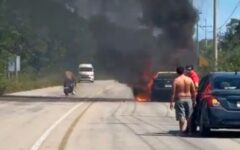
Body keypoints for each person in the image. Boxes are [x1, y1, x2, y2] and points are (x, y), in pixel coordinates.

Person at [170, 66, 196, 135]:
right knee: (189, 116)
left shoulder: (176, 80)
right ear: (184, 71)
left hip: (180, 99)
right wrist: (194, 100)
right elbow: (193, 91)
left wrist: (171, 102)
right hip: (188, 99)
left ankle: (181, 131)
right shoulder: (189, 79)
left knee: (181, 115)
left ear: (177, 72)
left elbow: (173, 93)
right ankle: (190, 131)